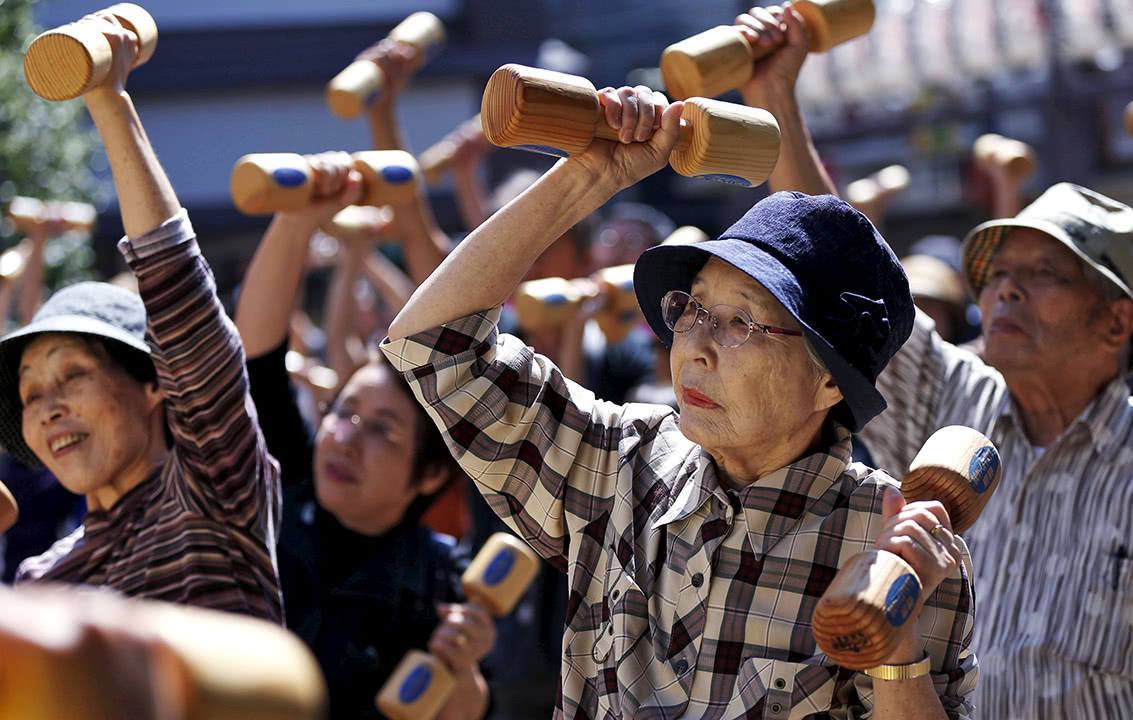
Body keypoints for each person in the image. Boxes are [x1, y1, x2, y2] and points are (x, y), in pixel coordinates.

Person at [379, 79, 978, 717]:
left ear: (829, 382)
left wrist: (893, 644)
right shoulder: (618, 464)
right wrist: (588, 178)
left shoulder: (893, 545)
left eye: (741, 322)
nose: (694, 345)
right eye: (691, 309)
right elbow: (433, 345)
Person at [737, 3, 1133, 716]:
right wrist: (774, 98)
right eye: (998, 271)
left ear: (1116, 322)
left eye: (1043, 272)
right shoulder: (954, 402)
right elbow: (835, 261)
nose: (1004, 287)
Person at [0, 12, 281, 620]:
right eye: (29, 394)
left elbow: (180, 298)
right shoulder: (39, 583)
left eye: (72, 374)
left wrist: (108, 96)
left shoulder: (211, 494)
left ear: (155, 382)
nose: (48, 407)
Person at [234, 152, 494, 720]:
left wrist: (463, 668)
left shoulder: (440, 581)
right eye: (345, 412)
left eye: (382, 430)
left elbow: (469, 710)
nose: (346, 439)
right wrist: (297, 219)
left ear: (429, 474)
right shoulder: (282, 484)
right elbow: (258, 358)